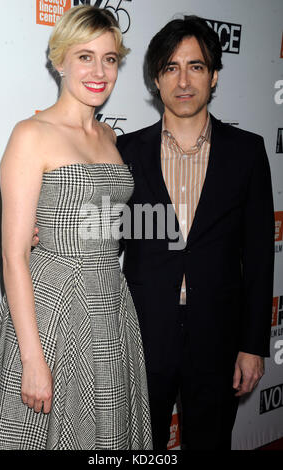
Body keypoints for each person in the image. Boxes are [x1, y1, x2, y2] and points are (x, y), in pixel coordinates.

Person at [0, 5, 152, 450]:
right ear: (59, 61)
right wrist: (32, 359)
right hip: (53, 308)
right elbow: (14, 255)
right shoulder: (30, 134)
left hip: (110, 302)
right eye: (84, 57)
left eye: (110, 58)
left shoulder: (111, 139)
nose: (99, 71)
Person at [115, 16, 274, 450]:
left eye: (196, 66)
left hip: (218, 334)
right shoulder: (125, 151)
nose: (183, 80)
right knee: (137, 444)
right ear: (155, 79)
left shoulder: (248, 152)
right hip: (144, 331)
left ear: (214, 75)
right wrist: (51, 230)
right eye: (170, 67)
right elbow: (107, 236)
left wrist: (252, 345)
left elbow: (260, 256)